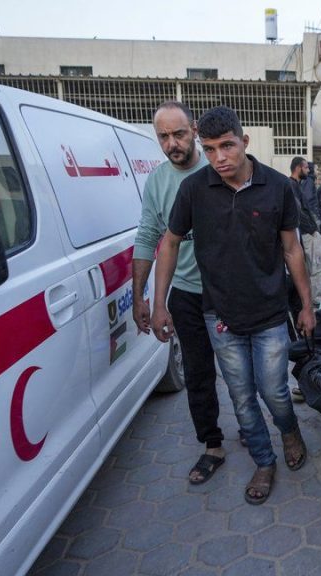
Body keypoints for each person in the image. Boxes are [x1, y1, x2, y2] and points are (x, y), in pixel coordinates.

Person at [152, 105, 315, 506]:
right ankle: (264, 459)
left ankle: (289, 429)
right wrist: (159, 303)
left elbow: (292, 249)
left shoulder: (278, 187)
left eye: (227, 146)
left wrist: (307, 306)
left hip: (270, 314)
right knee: (241, 396)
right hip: (219, 316)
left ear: (245, 141)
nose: (219, 158)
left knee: (274, 391)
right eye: (209, 149)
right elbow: (169, 242)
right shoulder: (194, 190)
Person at [131, 101, 227, 486]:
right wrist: (143, 297)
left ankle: (258, 436)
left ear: (195, 131)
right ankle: (213, 445)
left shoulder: (220, 168)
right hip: (186, 295)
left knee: (242, 373)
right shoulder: (157, 182)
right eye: (164, 137)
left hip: (227, 292)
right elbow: (148, 237)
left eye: (180, 133)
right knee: (199, 373)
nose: (172, 143)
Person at [289, 156, 321, 308]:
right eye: (305, 167)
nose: (308, 170)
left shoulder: (297, 185)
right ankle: (316, 298)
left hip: (307, 232)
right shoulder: (292, 185)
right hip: (306, 233)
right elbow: (299, 212)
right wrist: (311, 229)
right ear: (298, 168)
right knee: (317, 264)